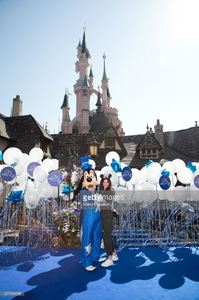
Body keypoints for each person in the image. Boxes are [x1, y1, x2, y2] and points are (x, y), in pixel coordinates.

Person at [76, 168, 102, 271]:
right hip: (88, 217)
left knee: (97, 237)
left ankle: (95, 256)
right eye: (87, 175)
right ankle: (86, 262)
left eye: (92, 175)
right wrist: (88, 188)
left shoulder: (97, 190)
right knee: (87, 238)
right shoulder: (83, 191)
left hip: (98, 217)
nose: (90, 177)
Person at [99, 174, 118, 267]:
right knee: (108, 236)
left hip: (107, 216)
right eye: (104, 182)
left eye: (107, 182)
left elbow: (106, 204)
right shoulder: (102, 191)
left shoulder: (110, 191)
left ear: (109, 183)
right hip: (103, 216)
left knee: (106, 237)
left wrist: (99, 201)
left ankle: (109, 258)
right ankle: (114, 254)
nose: (105, 183)